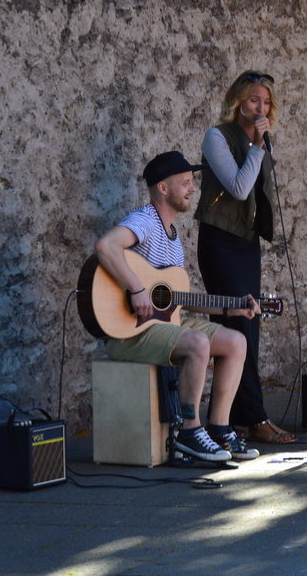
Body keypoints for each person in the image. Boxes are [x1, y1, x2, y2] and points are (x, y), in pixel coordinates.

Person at [94, 150, 261, 462]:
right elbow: (106, 246)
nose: (192, 189)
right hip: (128, 333)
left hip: (162, 326)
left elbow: (177, 302)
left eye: (191, 182)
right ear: (163, 188)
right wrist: (137, 289)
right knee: (197, 343)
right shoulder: (144, 220)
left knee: (236, 341)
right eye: (185, 183)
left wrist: (233, 309)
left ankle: (219, 429)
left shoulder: (172, 236)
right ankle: (189, 430)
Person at [196, 71, 296, 444]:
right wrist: (256, 148)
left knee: (249, 325)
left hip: (246, 243)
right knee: (238, 326)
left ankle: (236, 419)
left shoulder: (260, 142)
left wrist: (259, 147)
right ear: (238, 100)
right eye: (254, 100)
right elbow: (238, 188)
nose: (260, 108)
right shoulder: (216, 137)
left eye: (266, 102)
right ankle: (254, 419)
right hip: (220, 242)